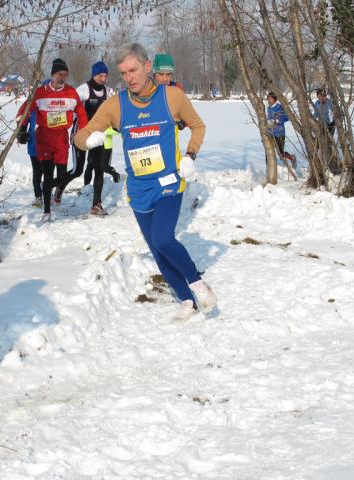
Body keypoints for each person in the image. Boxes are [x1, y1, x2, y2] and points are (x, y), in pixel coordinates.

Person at [74, 43, 217, 322]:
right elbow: (81, 135)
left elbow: (198, 125)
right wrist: (87, 140)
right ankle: (186, 300)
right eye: (124, 72)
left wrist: (190, 155)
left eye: (134, 70)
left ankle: (198, 285)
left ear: (147, 66)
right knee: (156, 248)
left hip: (168, 183)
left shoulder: (171, 97)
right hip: (139, 189)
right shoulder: (116, 105)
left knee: (164, 237)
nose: (129, 77)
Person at [16, 58, 88, 222]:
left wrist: (83, 131)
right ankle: (47, 211)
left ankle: (46, 188)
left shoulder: (71, 93)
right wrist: (21, 129)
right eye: (59, 74)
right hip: (45, 138)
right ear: (52, 74)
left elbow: (82, 114)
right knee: (48, 175)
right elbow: (25, 110)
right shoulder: (41, 93)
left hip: (61, 138)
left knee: (62, 176)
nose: (62, 78)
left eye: (65, 75)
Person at [59, 61, 120, 215]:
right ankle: (59, 188)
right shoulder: (83, 90)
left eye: (106, 76)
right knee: (77, 170)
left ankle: (96, 204)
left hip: (98, 136)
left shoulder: (108, 92)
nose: (104, 79)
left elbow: (115, 110)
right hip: (81, 135)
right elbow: (70, 109)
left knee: (99, 169)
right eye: (101, 76)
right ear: (94, 75)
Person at [266, 91, 296, 169]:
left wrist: (277, 121)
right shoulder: (269, 108)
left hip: (279, 133)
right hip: (270, 132)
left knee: (280, 153)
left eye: (270, 98)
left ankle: (291, 157)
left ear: (275, 99)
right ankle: (269, 168)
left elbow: (287, 117)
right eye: (268, 98)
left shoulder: (280, 107)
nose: (268, 100)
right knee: (268, 150)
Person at [313, 89, 338, 174]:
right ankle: (321, 162)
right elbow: (316, 113)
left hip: (329, 126)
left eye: (323, 96)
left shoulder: (329, 103)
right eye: (319, 96)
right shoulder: (316, 103)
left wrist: (332, 123)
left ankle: (332, 161)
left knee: (328, 143)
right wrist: (312, 119)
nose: (321, 98)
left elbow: (334, 113)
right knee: (319, 144)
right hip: (321, 126)